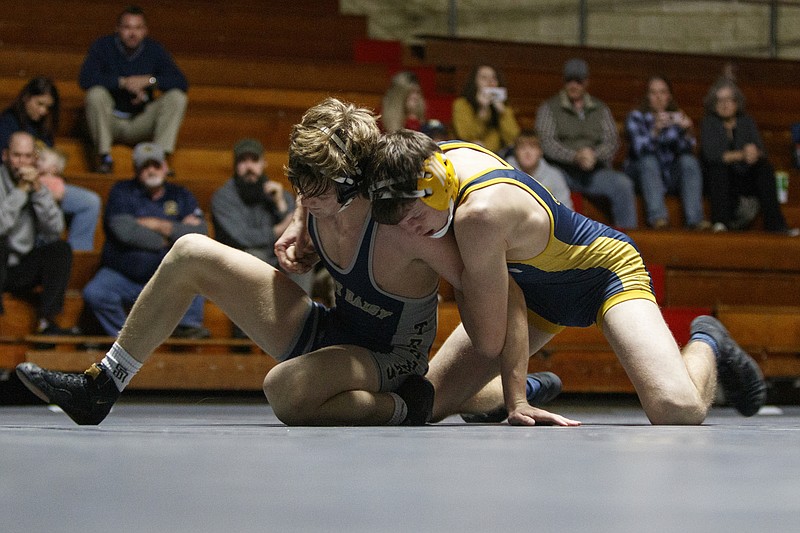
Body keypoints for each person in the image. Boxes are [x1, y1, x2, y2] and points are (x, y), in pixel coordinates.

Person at [15, 98, 571, 428]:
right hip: (330, 330)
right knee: (190, 253)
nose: (302, 195)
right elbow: (313, 194)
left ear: (354, 186)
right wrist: (300, 219)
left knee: (284, 389)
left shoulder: (405, 227)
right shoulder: (317, 199)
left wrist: (517, 392)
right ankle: (101, 386)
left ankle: (417, 405)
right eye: (297, 183)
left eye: (314, 188)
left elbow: (505, 291)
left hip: (388, 356)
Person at [368, 129, 767, 425]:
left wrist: (516, 402)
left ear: (435, 188)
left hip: (601, 274)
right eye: (400, 221)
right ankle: (519, 388)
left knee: (676, 410)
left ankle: (707, 340)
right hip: (528, 286)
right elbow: (511, 297)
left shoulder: (480, 214)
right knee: (427, 403)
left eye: (416, 217)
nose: (412, 231)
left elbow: (491, 335)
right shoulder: (427, 158)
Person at [81, 142, 209, 338]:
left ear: (165, 167)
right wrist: (173, 233)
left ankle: (187, 329)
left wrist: (155, 224)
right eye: (144, 166)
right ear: (136, 169)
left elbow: (200, 232)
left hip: (166, 277)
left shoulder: (181, 195)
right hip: (123, 275)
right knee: (95, 293)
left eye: (155, 165)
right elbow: (124, 231)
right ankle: (126, 339)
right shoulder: (122, 191)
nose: (151, 170)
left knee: (194, 269)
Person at [211, 137, 310, 340]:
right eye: (243, 161)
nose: (249, 167)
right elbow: (243, 237)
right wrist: (280, 228)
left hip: (275, 259)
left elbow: (298, 231)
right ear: (235, 165)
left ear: (263, 163)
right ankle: (246, 337)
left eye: (253, 160)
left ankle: (300, 328)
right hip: (238, 263)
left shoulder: (277, 194)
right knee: (253, 257)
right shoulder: (224, 197)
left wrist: (281, 205)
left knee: (301, 255)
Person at [79, 5, 188, 174]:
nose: (132, 33)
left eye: (138, 28)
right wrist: (123, 83)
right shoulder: (103, 46)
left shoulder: (154, 50)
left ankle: (159, 159)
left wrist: (149, 81)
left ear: (145, 31)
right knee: (95, 94)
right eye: (127, 27)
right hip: (110, 120)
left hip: (141, 121)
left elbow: (181, 82)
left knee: (177, 97)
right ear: (118, 29)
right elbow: (85, 79)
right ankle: (104, 158)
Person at [535, 58, 638, 230]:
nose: (574, 85)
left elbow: (612, 141)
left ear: (587, 82)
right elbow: (546, 142)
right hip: (562, 170)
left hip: (595, 171)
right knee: (548, 181)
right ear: (564, 81)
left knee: (623, 184)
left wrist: (593, 156)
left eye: (579, 81)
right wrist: (575, 156)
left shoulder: (600, 108)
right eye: (570, 80)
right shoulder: (549, 108)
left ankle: (628, 240)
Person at [0, 77, 101, 251]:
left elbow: (51, 157)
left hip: (42, 184)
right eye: (39, 104)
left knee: (90, 202)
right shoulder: (7, 123)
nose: (43, 111)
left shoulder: (43, 128)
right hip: (12, 186)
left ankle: (76, 256)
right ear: (27, 98)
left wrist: (50, 176)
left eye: (48, 107)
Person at [0, 132, 77, 336]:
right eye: (17, 156)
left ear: (34, 158)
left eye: (27, 156)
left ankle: (47, 322)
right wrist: (20, 192)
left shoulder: (38, 185)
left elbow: (55, 230)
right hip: (2, 261)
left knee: (61, 249)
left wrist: (38, 192)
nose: (21, 162)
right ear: (5, 155)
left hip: (21, 265)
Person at [699, 77, 798, 236]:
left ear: (736, 102)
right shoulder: (709, 123)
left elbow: (761, 151)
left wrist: (754, 153)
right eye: (720, 100)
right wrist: (742, 154)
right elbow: (712, 156)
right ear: (713, 103)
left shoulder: (746, 122)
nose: (725, 104)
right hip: (720, 181)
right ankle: (720, 223)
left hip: (744, 176)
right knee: (719, 169)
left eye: (729, 100)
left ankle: (776, 226)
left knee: (764, 168)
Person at [625, 75, 709, 230]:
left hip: (669, 176)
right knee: (649, 161)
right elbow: (638, 149)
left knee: (689, 162)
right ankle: (658, 219)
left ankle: (695, 220)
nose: (658, 97)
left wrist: (688, 131)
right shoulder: (636, 117)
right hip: (643, 175)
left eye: (662, 93)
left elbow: (687, 150)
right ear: (647, 96)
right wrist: (655, 131)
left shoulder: (676, 117)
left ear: (669, 96)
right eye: (653, 93)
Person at [451, 64, 520, 154]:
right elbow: (466, 136)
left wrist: (503, 113)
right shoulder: (462, 104)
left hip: (498, 156)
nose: (490, 82)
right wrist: (483, 109)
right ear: (474, 82)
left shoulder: (503, 106)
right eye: (484, 78)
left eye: (494, 78)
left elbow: (513, 138)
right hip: (469, 153)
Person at [504, 129, 573, 210]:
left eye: (532, 147)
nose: (527, 152)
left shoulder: (554, 176)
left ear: (540, 151)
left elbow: (566, 210)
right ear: (515, 152)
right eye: (522, 148)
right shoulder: (504, 174)